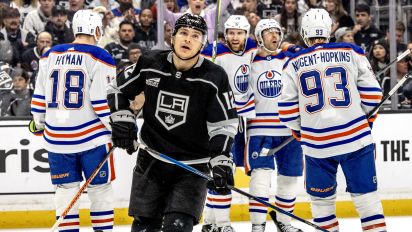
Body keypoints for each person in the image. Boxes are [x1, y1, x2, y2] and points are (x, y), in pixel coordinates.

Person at [107, 13, 238, 232]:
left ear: (203, 44)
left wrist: (221, 160)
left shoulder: (215, 77)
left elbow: (223, 125)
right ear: (173, 37)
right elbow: (117, 88)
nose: (188, 39)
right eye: (184, 33)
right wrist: (123, 119)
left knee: (177, 227)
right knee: (143, 228)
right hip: (151, 160)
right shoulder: (150, 62)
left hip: (192, 167)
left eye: (195, 36)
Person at [280, 8, 386, 232]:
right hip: (356, 140)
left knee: (322, 206)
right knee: (368, 204)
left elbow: (287, 112)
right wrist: (364, 123)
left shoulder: (292, 64)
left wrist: (303, 134)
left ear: (303, 32)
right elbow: (374, 96)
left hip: (317, 147)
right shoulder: (351, 51)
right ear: (329, 30)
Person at [29, 9, 117, 232]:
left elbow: (39, 96)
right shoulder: (100, 56)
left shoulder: (50, 54)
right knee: (100, 191)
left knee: (65, 191)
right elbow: (101, 102)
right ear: (97, 30)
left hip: (57, 140)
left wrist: (39, 124)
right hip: (93, 140)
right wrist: (117, 130)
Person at [200, 15, 257, 232]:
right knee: (222, 169)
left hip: (245, 120)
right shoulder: (215, 51)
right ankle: (222, 224)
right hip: (222, 119)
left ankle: (210, 222)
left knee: (227, 170)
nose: (235, 37)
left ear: (247, 34)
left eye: (240, 32)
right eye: (231, 32)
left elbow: (271, 48)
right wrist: (206, 58)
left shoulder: (252, 48)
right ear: (225, 34)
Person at [247, 18, 303, 232]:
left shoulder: (291, 59)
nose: (275, 36)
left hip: (289, 129)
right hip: (260, 129)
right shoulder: (248, 60)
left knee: (289, 176)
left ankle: (285, 223)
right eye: (269, 32)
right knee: (260, 179)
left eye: (277, 32)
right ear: (259, 37)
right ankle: (258, 226)